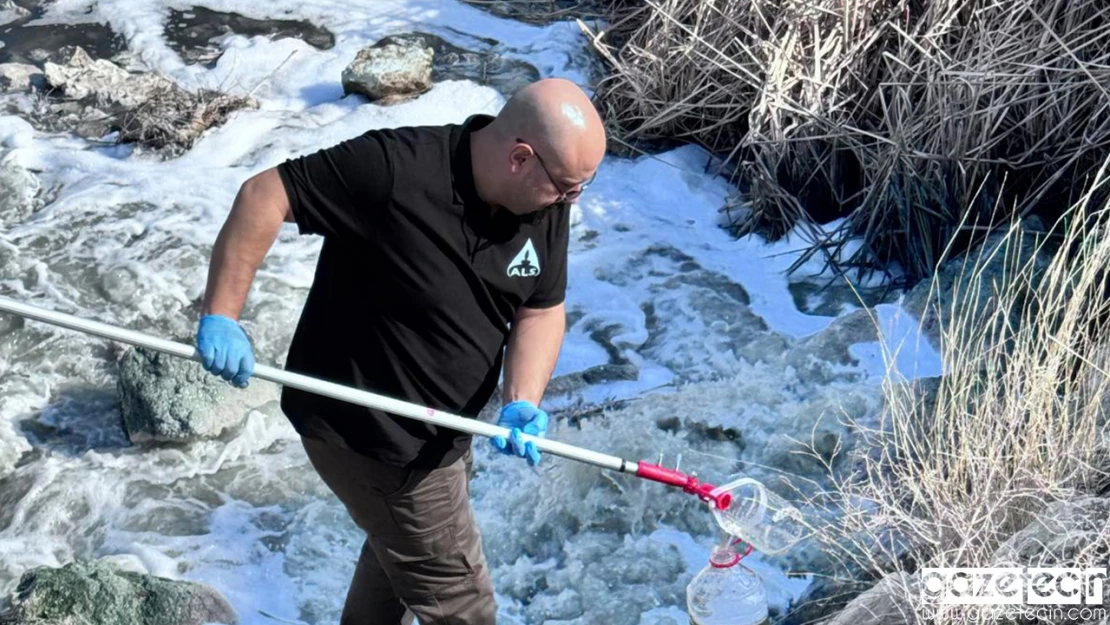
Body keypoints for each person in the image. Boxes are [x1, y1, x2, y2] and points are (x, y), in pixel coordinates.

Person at [194, 77, 606, 625]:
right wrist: (222, 315)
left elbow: (540, 307)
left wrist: (522, 399)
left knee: (397, 566)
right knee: (463, 606)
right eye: (568, 187)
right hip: (376, 438)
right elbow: (265, 195)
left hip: (446, 430)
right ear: (520, 158)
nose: (571, 200)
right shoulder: (394, 169)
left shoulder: (543, 199)